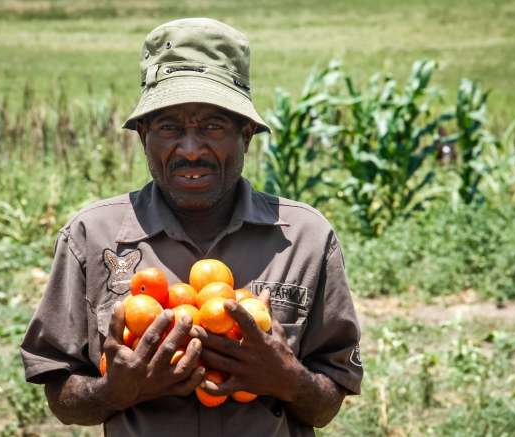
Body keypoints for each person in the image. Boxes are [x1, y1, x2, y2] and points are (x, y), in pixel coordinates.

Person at [20, 17, 362, 437]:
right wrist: (114, 392)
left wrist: (290, 380)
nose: (190, 149)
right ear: (144, 134)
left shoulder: (305, 239)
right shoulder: (92, 237)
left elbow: (327, 402)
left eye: (213, 126)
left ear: (247, 133)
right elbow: (62, 397)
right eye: (169, 127)